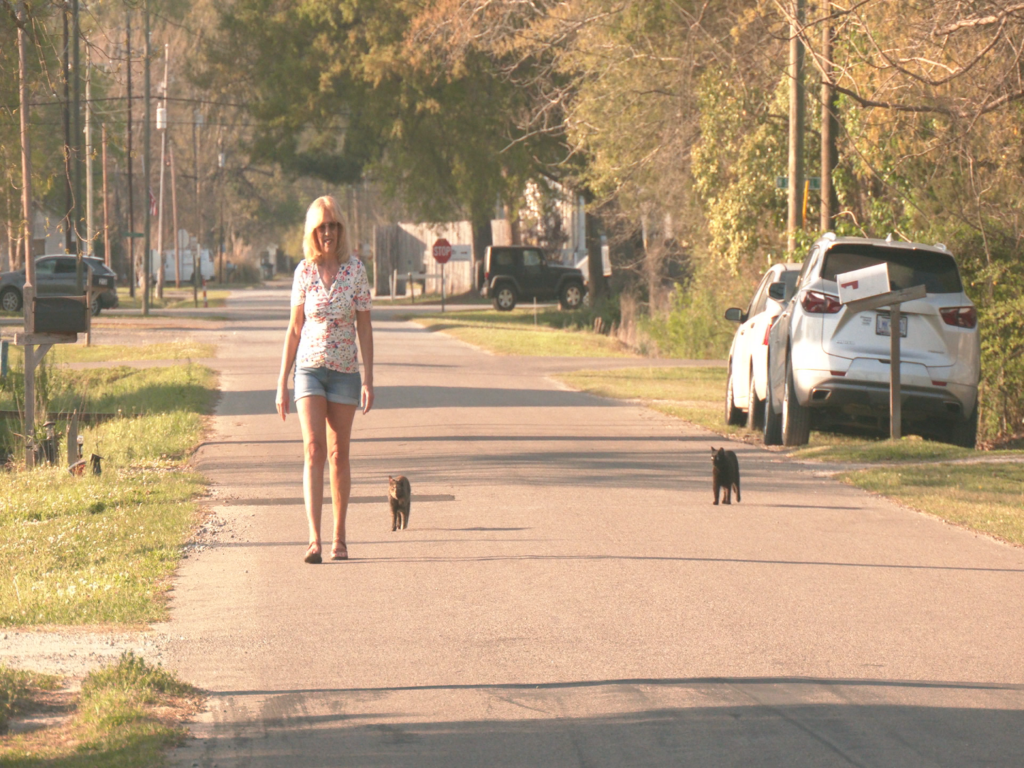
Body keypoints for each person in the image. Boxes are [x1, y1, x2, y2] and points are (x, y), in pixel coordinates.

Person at [276, 196, 374, 564]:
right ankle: (314, 539)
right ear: (313, 233)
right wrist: (281, 382)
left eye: (333, 226)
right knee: (314, 450)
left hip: (346, 373)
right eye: (322, 228)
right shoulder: (303, 272)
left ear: (341, 230)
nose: (328, 233)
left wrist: (368, 378)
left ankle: (340, 537)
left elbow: (364, 327)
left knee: (338, 454)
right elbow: (294, 328)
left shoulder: (356, 271)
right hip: (310, 371)